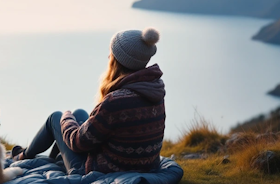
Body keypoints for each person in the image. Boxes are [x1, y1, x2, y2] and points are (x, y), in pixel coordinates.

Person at [11, 28, 166, 175]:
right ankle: (54, 159)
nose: (108, 57)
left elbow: (79, 142)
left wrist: (66, 118)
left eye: (111, 54)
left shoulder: (115, 102)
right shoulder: (155, 93)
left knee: (56, 118)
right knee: (80, 113)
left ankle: (23, 156)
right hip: (144, 165)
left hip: (101, 169)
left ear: (119, 61)